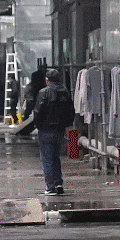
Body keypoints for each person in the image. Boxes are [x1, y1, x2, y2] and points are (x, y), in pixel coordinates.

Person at [31, 68, 74, 196]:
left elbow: (38, 111)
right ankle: (58, 183)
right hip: (59, 130)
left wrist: (38, 125)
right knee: (56, 157)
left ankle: (50, 187)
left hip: (46, 129)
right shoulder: (65, 92)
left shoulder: (43, 92)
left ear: (47, 79)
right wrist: (66, 124)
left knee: (47, 158)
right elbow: (71, 111)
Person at [16, 62, 48, 136]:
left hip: (34, 95)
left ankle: (24, 126)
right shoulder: (42, 76)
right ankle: (25, 126)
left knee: (30, 111)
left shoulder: (36, 76)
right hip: (36, 95)